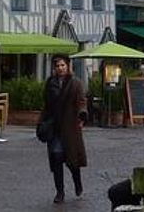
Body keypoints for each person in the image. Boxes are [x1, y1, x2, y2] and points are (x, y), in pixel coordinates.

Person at [41, 53, 88, 204]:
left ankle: (77, 181)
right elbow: (46, 104)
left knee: (72, 161)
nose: (60, 68)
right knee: (56, 158)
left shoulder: (75, 83)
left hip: (70, 127)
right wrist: (42, 122)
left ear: (67, 66)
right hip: (55, 128)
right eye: (57, 66)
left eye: (63, 65)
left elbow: (81, 101)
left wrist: (82, 115)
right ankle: (59, 192)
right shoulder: (50, 83)